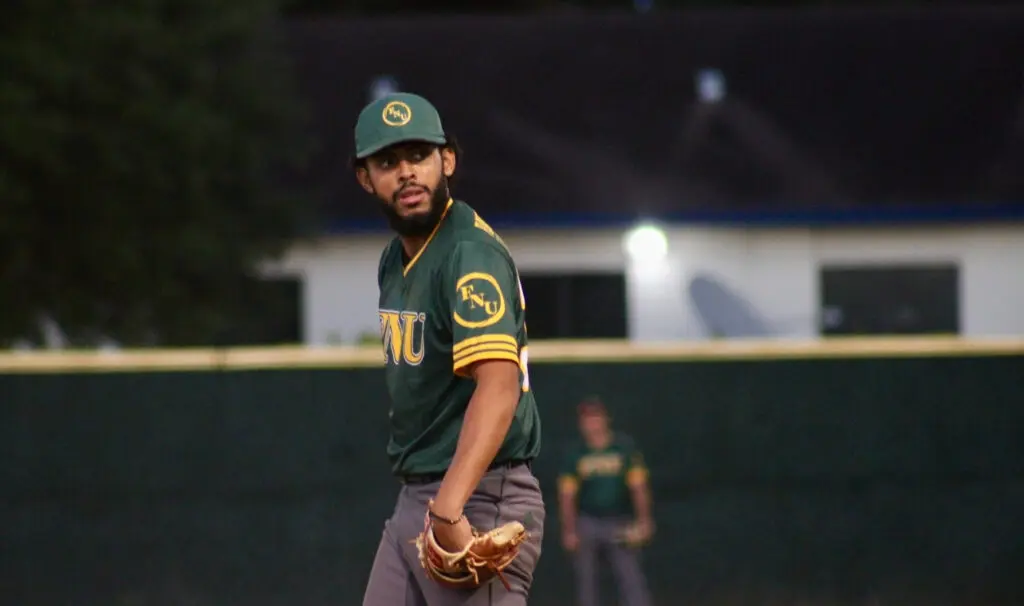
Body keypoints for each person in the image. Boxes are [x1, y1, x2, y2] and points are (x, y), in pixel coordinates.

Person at [354, 91, 544, 606]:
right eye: (387, 161)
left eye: (419, 155)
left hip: (478, 494)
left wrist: (448, 509)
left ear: (448, 161)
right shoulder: (395, 260)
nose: (407, 172)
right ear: (366, 178)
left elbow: (499, 386)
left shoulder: (468, 253)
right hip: (417, 496)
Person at [558, 397, 654, 606]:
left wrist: (644, 521)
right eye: (587, 419)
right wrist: (569, 530)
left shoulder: (623, 448)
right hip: (588, 522)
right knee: (587, 584)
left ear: (605, 419)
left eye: (595, 417)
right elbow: (567, 496)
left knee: (631, 580)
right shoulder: (576, 454)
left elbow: (639, 487)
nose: (591, 423)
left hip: (620, 521)